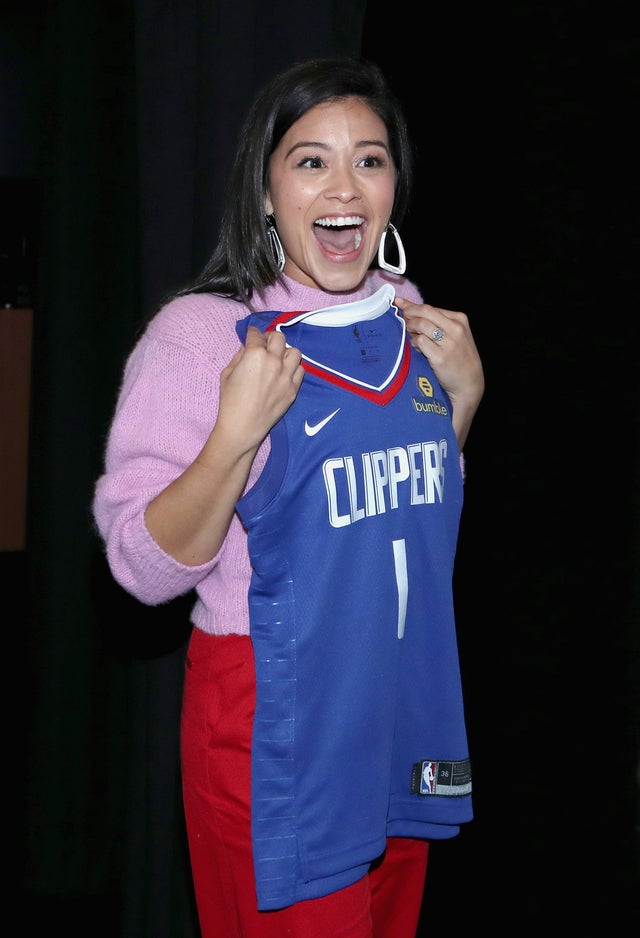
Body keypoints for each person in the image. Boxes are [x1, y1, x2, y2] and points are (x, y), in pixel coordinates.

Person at [93, 56, 484, 938]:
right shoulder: (199, 337)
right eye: (311, 160)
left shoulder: (408, 312)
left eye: (370, 159)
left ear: (394, 186)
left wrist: (460, 405)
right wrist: (235, 434)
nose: (344, 185)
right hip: (277, 706)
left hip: (397, 694)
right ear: (265, 192)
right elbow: (140, 572)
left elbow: (405, 515)